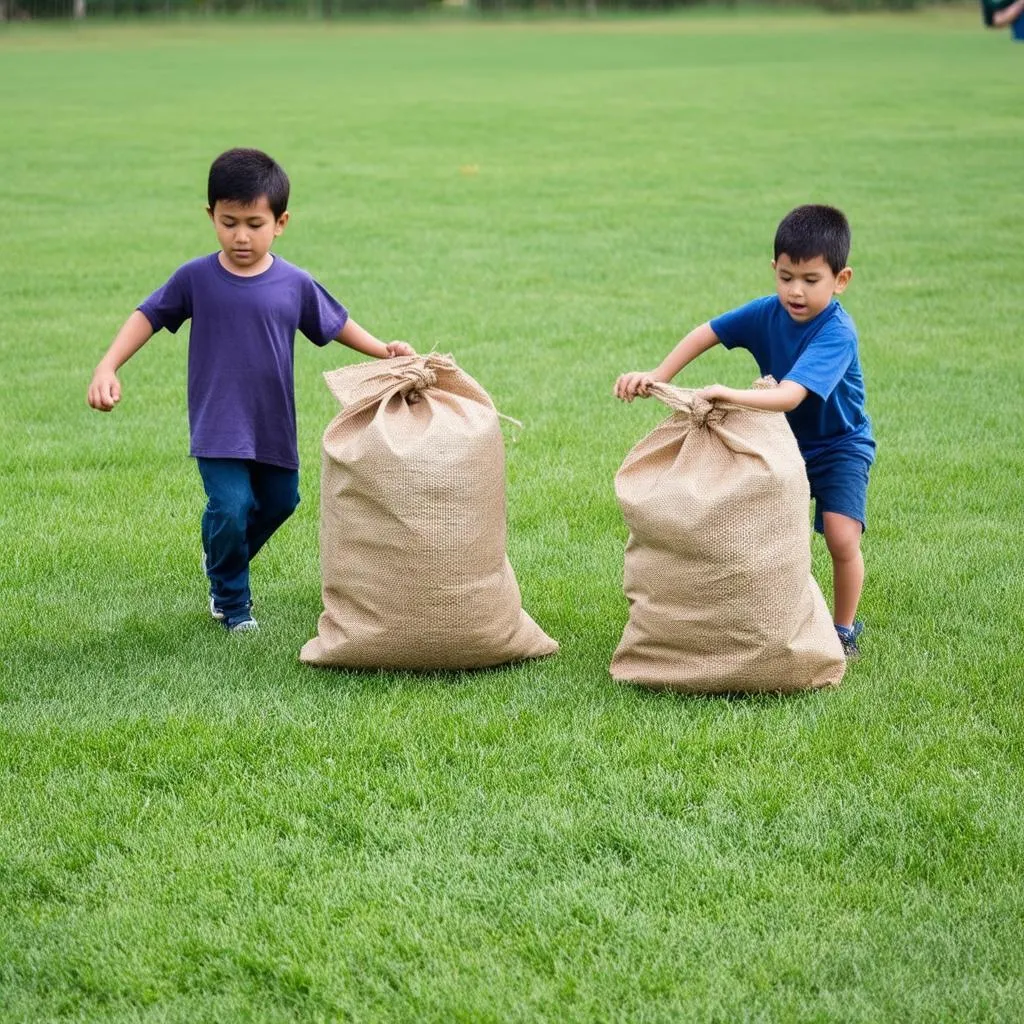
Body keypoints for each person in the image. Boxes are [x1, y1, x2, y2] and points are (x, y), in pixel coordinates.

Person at [87, 148, 414, 633]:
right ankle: (232, 601)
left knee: (282, 501)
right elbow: (149, 315)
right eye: (229, 221)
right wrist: (107, 365)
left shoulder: (294, 283)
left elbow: (335, 323)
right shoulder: (195, 278)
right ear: (211, 216)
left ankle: (221, 554)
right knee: (232, 505)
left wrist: (382, 350)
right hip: (218, 420)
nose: (241, 236)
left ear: (280, 222)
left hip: (272, 420)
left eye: (254, 224)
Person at [614, 205, 874, 659]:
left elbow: (791, 396)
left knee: (840, 536)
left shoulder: (836, 333)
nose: (795, 291)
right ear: (774, 269)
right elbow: (706, 333)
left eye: (811, 280)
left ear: (841, 280)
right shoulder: (765, 312)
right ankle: (758, 616)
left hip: (838, 446)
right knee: (753, 525)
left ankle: (844, 628)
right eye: (786, 276)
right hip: (781, 442)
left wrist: (725, 393)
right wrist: (659, 375)